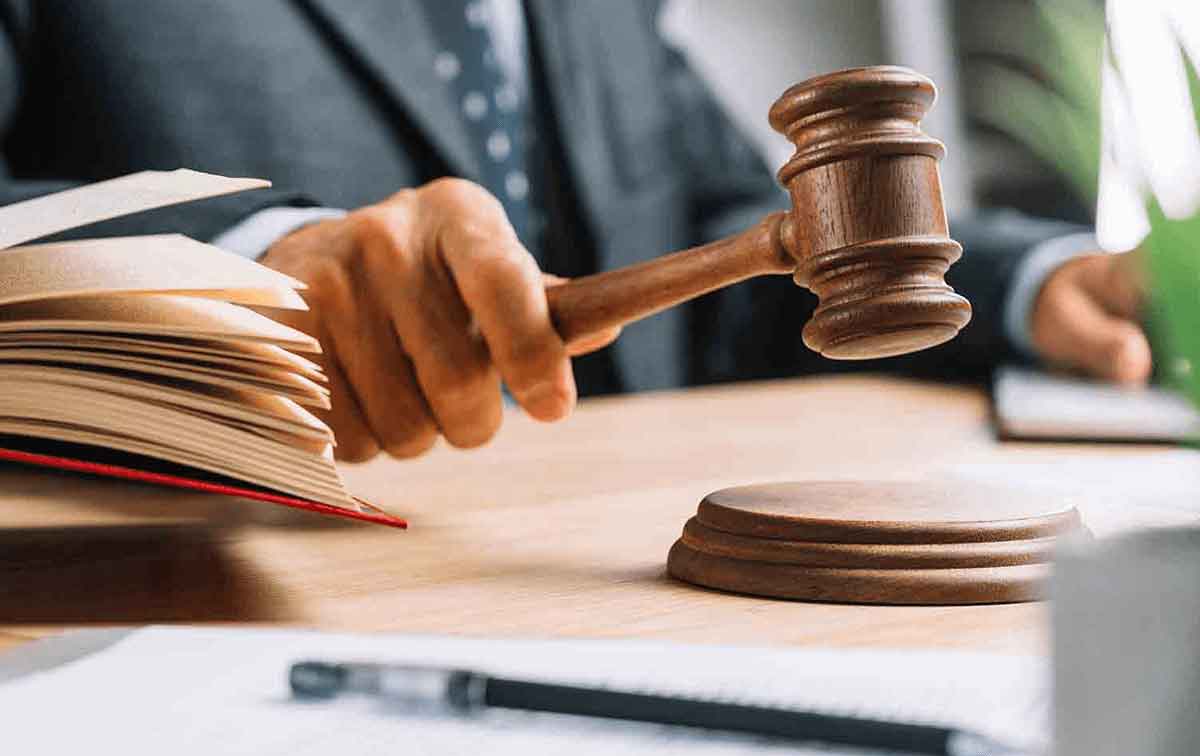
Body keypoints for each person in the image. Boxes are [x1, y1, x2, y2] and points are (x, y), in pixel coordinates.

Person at [0, 0, 1153, 462]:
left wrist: (1029, 283)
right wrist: (248, 269)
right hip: (225, 606)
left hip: (624, 574)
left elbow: (733, 235)